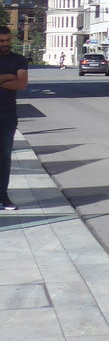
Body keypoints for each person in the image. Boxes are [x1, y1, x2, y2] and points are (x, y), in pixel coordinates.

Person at [0, 26, 30, 211]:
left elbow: (21, 84)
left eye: (7, 40)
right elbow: (14, 80)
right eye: (1, 41)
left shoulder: (19, 59)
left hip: (8, 115)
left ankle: (3, 196)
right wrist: (6, 77)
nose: (5, 44)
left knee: (4, 157)